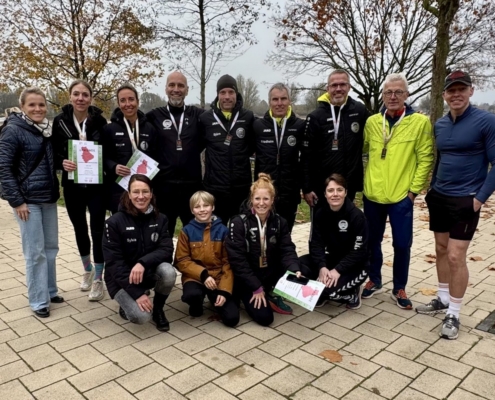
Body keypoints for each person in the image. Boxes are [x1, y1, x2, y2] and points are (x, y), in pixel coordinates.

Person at [416, 70, 495, 340]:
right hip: (440, 196)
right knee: (440, 249)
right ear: (444, 95)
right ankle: (442, 298)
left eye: (462, 89)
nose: (456, 94)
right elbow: (441, 158)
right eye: (452, 90)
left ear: (471, 91)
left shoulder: (486, 121)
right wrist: (431, 188)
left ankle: (454, 312)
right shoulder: (439, 124)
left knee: (455, 256)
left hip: (466, 199)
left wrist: (479, 199)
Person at [361, 73, 434, 309]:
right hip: (373, 194)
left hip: (401, 196)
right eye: (388, 92)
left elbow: (425, 159)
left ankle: (399, 287)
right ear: (383, 95)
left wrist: (413, 192)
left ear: (406, 95)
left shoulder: (420, 122)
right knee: (372, 241)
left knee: (402, 244)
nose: (393, 96)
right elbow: (361, 150)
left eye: (398, 92)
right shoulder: (372, 122)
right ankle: (374, 279)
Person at [0, 88, 62, 318]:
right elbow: (3, 168)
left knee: (51, 248)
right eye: (32, 105)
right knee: (35, 252)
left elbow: (49, 161)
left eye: (41, 105)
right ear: (22, 107)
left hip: (48, 198)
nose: (38, 109)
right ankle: (38, 300)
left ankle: (50, 290)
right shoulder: (13, 130)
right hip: (27, 202)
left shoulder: (46, 129)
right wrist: (17, 201)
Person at [52, 80, 108, 302]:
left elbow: (107, 150)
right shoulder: (60, 121)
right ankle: (87, 269)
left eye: (85, 94)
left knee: (98, 231)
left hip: (96, 186)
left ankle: (99, 278)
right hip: (73, 185)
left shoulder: (100, 121)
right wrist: (62, 162)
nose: (80, 98)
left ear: (91, 98)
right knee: (79, 229)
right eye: (76, 94)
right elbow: (54, 151)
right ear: (70, 96)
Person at [102, 174, 177, 331]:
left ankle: (158, 310)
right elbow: (114, 263)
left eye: (145, 191)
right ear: (129, 194)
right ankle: (128, 300)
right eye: (136, 192)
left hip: (147, 271)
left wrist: (142, 263)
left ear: (151, 193)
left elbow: (166, 250)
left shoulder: (161, 219)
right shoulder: (113, 223)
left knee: (168, 271)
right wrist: (137, 293)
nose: (141, 196)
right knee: (140, 317)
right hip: (121, 278)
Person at [226, 173, 301, 326]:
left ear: (272, 200)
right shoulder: (239, 223)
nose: (261, 203)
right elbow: (237, 261)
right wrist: (256, 287)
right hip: (248, 278)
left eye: (266, 199)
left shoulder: (279, 222)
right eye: (257, 199)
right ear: (251, 199)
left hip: (269, 273)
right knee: (265, 318)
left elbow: (287, 248)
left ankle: (271, 292)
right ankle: (244, 294)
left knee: (302, 269)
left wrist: (294, 268)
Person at [146, 71, 204, 236]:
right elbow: (131, 119)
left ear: (187, 90)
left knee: (195, 236)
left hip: (192, 188)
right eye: (172, 85)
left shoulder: (198, 115)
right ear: (166, 89)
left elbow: (219, 118)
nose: (176, 89)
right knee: (163, 235)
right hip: (164, 189)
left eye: (180, 86)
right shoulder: (154, 116)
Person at [299, 174, 369, 309]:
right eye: (330, 190)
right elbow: (316, 244)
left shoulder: (357, 217)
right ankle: (323, 289)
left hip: (355, 266)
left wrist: (337, 270)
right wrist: (322, 267)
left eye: (339, 190)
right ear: (325, 194)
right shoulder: (320, 214)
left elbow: (359, 251)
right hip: (332, 260)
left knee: (324, 292)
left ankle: (352, 293)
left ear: (346, 192)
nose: (335, 194)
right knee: (298, 267)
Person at [302, 69, 369, 206]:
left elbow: (377, 128)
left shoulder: (359, 111)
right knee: (322, 221)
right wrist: (307, 188)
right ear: (328, 89)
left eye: (342, 84)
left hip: (348, 185)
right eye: (334, 85)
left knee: (346, 220)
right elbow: (306, 155)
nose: (338, 89)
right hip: (322, 186)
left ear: (349, 87)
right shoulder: (315, 117)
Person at [175, 191, 239, 327]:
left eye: (206, 205)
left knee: (232, 319)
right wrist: (203, 275)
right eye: (197, 207)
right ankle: (196, 303)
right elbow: (181, 260)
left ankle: (214, 297)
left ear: (213, 207)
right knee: (192, 296)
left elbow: (228, 262)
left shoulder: (223, 231)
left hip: (218, 278)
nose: (202, 210)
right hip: (195, 277)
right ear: (192, 210)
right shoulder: (186, 231)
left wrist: (224, 290)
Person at [200, 74, 255, 224]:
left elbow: (253, 148)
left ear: (236, 94)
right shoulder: (206, 119)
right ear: (217, 95)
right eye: (222, 92)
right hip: (215, 190)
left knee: (241, 232)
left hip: (241, 190)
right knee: (217, 233)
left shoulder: (248, 117)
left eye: (231, 92)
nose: (227, 97)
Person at [253, 83, 305, 232]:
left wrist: (306, 187)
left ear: (289, 101)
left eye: (283, 99)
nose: (279, 103)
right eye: (275, 99)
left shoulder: (300, 126)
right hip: (264, 194)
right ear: (269, 102)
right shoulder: (258, 126)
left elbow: (307, 160)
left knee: (286, 234)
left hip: (290, 193)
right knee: (264, 235)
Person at [102, 83, 157, 213]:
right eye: (123, 100)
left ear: (137, 101)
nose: (128, 104)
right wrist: (114, 167)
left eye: (131, 99)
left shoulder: (150, 128)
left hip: (143, 192)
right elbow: (103, 157)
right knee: (120, 223)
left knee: (144, 223)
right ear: (118, 103)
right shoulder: (109, 129)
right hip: (119, 190)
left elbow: (156, 156)